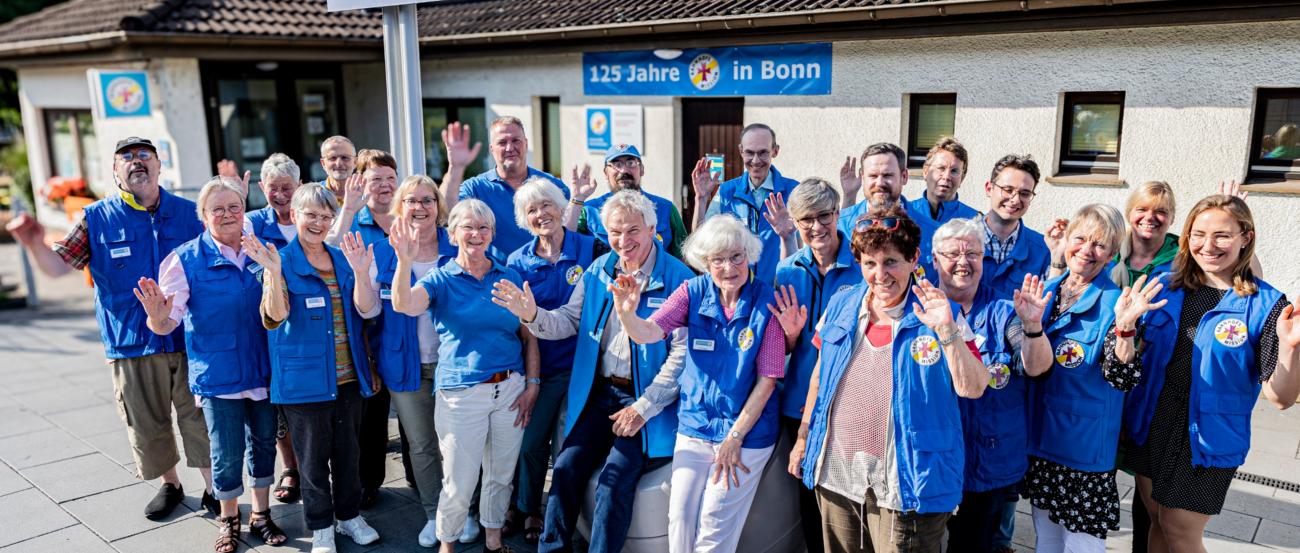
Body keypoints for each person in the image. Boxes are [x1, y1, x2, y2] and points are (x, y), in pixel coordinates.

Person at [4, 136, 215, 519]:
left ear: (158, 165)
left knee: (200, 419)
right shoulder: (95, 218)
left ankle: (215, 491)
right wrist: (33, 243)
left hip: (190, 339)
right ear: (115, 171)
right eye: (127, 158)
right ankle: (171, 484)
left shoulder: (189, 213)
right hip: (130, 344)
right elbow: (56, 267)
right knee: (147, 424)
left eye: (144, 156)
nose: (136, 162)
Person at [492, 190, 693, 553]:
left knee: (613, 483)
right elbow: (568, 321)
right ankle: (552, 548)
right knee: (566, 469)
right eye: (615, 232)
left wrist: (642, 408)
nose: (623, 241)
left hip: (646, 402)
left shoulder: (678, 278)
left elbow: (680, 357)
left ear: (652, 229)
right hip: (602, 395)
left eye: (633, 231)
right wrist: (532, 315)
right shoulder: (600, 271)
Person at [788, 206, 989, 553]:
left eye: (891, 261)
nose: (880, 274)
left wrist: (946, 330)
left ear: (913, 259)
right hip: (838, 473)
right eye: (869, 263)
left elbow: (974, 387)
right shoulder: (841, 303)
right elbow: (820, 377)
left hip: (907, 479)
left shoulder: (942, 311)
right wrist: (804, 436)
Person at [1124, 194, 1300, 553]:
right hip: (1153, 421)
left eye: (1222, 235)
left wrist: (1291, 349)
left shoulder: (1266, 304)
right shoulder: (1164, 283)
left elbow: (1281, 398)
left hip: (1208, 437)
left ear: (1245, 238)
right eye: (1198, 234)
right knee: (1156, 519)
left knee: (1180, 530)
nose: (1208, 245)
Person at [612, 214, 784, 553]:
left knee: (714, 524)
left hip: (747, 432)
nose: (728, 267)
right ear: (706, 263)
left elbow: (767, 381)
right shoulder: (692, 291)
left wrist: (735, 437)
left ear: (748, 255)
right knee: (679, 519)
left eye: (736, 256)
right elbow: (649, 333)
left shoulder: (768, 302)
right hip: (695, 425)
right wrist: (627, 315)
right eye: (717, 260)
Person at [135, 178, 287, 552]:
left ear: (244, 209)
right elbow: (168, 322)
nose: (227, 214)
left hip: (264, 370)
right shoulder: (184, 259)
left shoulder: (261, 251)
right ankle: (229, 517)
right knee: (226, 452)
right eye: (216, 209)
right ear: (203, 217)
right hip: (218, 376)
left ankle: (262, 514)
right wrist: (156, 317)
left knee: (264, 444)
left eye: (234, 207)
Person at [389, 198, 541, 553]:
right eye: (468, 227)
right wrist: (404, 261)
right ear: (453, 234)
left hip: (511, 390)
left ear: (491, 233)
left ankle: (492, 540)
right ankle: (448, 544)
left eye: (483, 227)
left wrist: (532, 384)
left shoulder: (509, 276)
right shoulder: (441, 279)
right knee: (459, 480)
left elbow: (528, 335)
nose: (476, 234)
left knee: (501, 474)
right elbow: (404, 305)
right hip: (461, 394)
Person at [243, 185, 382, 553]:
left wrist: (362, 273)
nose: (319, 223)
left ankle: (349, 516)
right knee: (312, 462)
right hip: (304, 383)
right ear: (294, 215)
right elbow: (275, 315)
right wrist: (274, 273)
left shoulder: (342, 259)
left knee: (349, 456)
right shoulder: (280, 260)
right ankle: (321, 526)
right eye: (311, 215)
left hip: (349, 378)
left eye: (325, 216)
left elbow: (368, 312)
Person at [1022, 204, 1158, 553]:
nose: (1086, 250)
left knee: (1082, 546)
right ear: (1066, 240)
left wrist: (1126, 328)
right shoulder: (1046, 289)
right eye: (1079, 239)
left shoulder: (1116, 302)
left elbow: (1122, 375)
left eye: (1099, 244)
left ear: (1113, 253)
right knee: (1047, 539)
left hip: (1083, 451)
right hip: (1041, 441)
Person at [930, 218, 1054, 553]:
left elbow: (1038, 368)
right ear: (934, 259)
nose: (963, 262)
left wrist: (1032, 327)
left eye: (972, 254)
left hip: (989, 461)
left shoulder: (1003, 311)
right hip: (932, 460)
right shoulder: (920, 311)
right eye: (952, 253)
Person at [499, 177, 601, 542]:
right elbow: (524, 328)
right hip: (545, 368)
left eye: (547, 205)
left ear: (563, 208)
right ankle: (528, 507)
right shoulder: (518, 261)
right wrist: (533, 379)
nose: (541, 214)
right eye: (532, 210)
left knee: (569, 449)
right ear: (524, 221)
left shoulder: (591, 249)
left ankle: (566, 518)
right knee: (531, 444)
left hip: (588, 369)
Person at [358, 174, 457, 547]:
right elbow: (367, 312)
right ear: (401, 207)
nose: (419, 207)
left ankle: (465, 508)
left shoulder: (457, 247)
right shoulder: (383, 252)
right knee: (421, 445)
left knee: (459, 442)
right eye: (411, 201)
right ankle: (435, 514)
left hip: (454, 365)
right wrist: (357, 274)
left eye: (427, 200)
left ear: (438, 207)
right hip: (404, 366)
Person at [769, 177, 860, 552]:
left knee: (846, 495)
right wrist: (790, 337)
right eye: (806, 219)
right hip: (799, 403)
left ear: (838, 214)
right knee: (807, 492)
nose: (816, 227)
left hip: (850, 400)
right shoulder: (787, 271)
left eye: (824, 216)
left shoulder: (862, 267)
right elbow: (782, 348)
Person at [325, 148, 399, 509]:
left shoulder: (409, 217)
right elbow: (327, 251)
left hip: (408, 335)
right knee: (370, 419)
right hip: (367, 338)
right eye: (375, 180)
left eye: (389, 179)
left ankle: (421, 480)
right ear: (361, 184)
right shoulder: (352, 221)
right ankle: (370, 483)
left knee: (417, 418)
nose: (384, 186)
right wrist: (349, 209)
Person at [244, 153, 306, 505]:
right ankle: (291, 467)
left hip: (309, 322)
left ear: (298, 187)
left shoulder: (308, 218)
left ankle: (314, 465)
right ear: (262, 188)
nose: (281, 195)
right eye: (273, 189)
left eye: (287, 188)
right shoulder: (252, 222)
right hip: (269, 323)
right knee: (276, 399)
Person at [690, 123, 799, 281]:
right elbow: (701, 240)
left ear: (775, 151)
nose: (755, 160)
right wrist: (701, 199)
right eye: (749, 153)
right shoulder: (726, 191)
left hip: (779, 290)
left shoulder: (794, 191)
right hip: (738, 293)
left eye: (763, 152)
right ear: (741, 151)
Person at [448, 116, 569, 254]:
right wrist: (455, 168)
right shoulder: (475, 188)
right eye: (502, 142)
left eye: (515, 141)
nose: (510, 148)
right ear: (491, 149)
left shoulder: (552, 185)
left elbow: (572, 228)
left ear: (526, 144)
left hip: (547, 271)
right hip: (496, 274)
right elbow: (449, 213)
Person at [564, 143, 688, 259]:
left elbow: (683, 257)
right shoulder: (588, 210)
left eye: (631, 163)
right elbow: (564, 245)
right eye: (616, 165)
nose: (624, 171)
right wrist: (577, 199)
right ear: (606, 173)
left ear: (642, 170)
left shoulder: (666, 208)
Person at [837, 142, 939, 282]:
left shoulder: (933, 232)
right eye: (873, 176)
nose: (879, 183)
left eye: (887, 175)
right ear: (862, 177)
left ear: (904, 176)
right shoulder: (839, 227)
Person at [980, 154, 1052, 300]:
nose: (1015, 199)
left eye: (1024, 193)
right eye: (1008, 189)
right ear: (989, 189)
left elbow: (1045, 306)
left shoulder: (1043, 251)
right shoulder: (960, 240)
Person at [904, 137, 981, 227]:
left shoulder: (974, 221)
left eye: (954, 171)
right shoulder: (905, 215)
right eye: (941, 168)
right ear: (925, 172)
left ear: (962, 179)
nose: (946, 177)